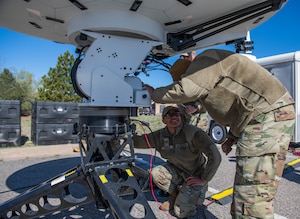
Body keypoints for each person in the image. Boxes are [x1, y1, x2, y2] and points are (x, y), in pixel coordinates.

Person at [144, 49, 296, 219]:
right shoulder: (215, 71)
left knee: (250, 195)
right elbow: (241, 106)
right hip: (270, 114)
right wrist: (232, 136)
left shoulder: (205, 60)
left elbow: (187, 90)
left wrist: (154, 94)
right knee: (259, 188)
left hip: (266, 116)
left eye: (184, 78)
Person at [133, 106, 221, 218]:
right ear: (164, 120)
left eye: (177, 114)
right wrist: (125, 134)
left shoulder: (193, 133)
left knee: (181, 212)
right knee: (156, 173)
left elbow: (215, 156)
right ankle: (175, 196)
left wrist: (203, 179)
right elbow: (140, 142)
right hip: (177, 171)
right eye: (169, 115)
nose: (174, 117)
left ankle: (193, 196)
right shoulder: (160, 135)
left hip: (195, 175)